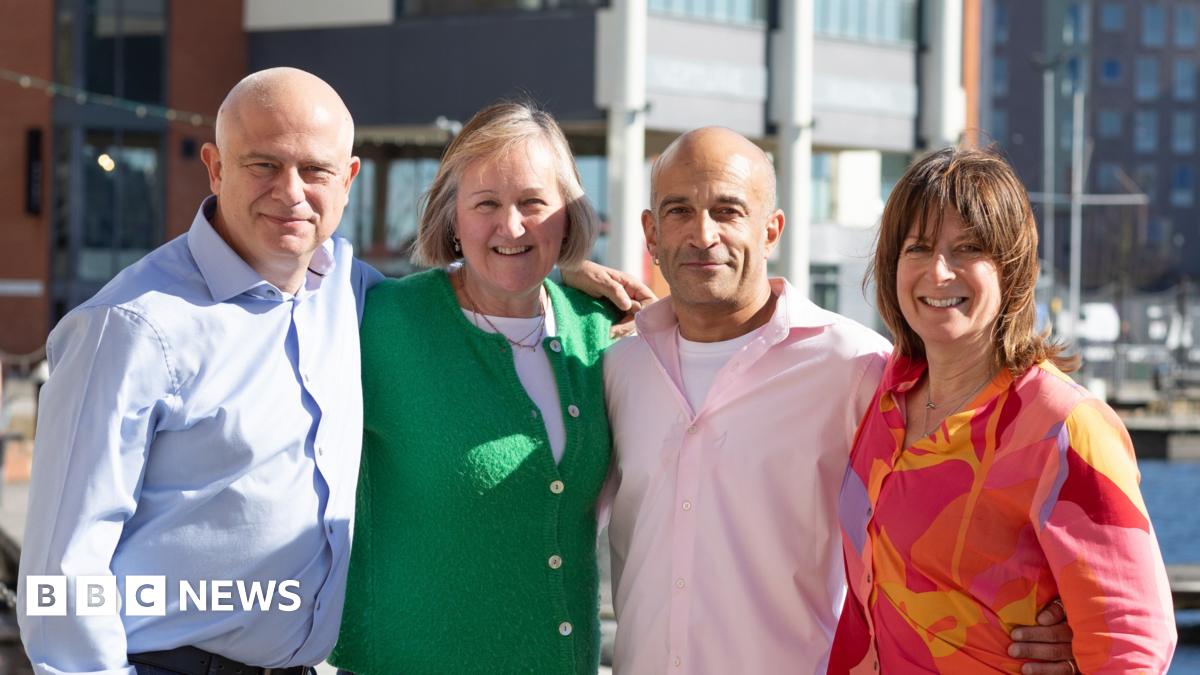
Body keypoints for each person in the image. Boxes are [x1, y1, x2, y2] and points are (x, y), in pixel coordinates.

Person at [17, 70, 648, 674]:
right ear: (214, 166)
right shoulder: (130, 327)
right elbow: (58, 572)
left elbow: (493, 274)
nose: (290, 192)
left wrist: (562, 269)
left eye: (314, 169)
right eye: (263, 164)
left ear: (347, 179)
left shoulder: (347, 291)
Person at [602, 127, 1078, 674]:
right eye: (679, 210)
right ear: (650, 232)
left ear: (772, 229)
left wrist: (1050, 620)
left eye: (728, 211)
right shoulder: (619, 370)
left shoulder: (859, 369)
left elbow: (959, 510)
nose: (702, 233)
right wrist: (562, 276)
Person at [830, 147, 1177, 672]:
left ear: (1012, 269)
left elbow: (1132, 642)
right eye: (918, 248)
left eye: (967, 249)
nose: (938, 272)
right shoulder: (882, 398)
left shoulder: (1061, 426)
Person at [329, 102, 618, 673]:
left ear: (569, 214)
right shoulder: (381, 323)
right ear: (452, 218)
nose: (511, 227)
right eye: (486, 204)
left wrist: (575, 272)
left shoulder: (601, 330)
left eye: (534, 203)